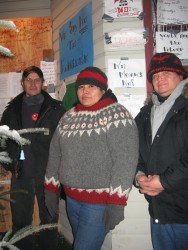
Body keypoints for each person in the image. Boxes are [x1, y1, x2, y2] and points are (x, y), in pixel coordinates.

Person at [44, 66, 139, 250]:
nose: (85, 91)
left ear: (102, 90)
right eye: (81, 87)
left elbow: (125, 161)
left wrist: (117, 201)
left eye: (91, 86)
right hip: (71, 199)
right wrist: (50, 187)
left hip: (99, 204)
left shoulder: (117, 114)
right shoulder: (68, 117)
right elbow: (55, 154)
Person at [0, 65, 65, 250]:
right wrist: (10, 162)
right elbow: (2, 138)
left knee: (49, 219)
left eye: (37, 80)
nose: (33, 83)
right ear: (22, 83)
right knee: (20, 221)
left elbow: (64, 140)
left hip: (47, 174)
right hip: (21, 174)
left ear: (43, 83)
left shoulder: (55, 109)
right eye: (29, 80)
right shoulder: (11, 110)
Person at [134, 52, 188, 250]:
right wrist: (139, 175)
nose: (160, 78)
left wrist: (163, 181)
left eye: (166, 72)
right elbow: (133, 149)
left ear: (181, 76)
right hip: (158, 208)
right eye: (155, 75)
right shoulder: (145, 112)